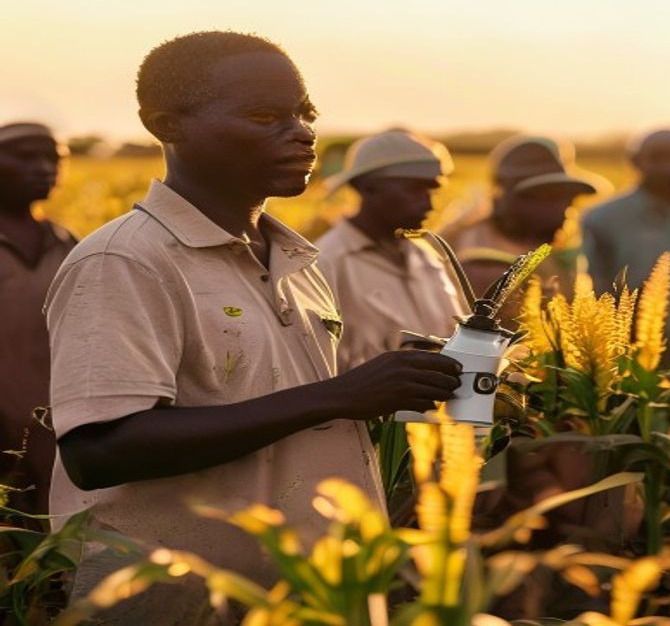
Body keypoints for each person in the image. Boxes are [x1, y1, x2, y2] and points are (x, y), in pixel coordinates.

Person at [46, 31, 461, 624]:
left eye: (305, 113)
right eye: (266, 115)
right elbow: (101, 449)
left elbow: (278, 409)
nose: (303, 132)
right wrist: (342, 394)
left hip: (305, 594)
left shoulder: (295, 260)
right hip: (178, 603)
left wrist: (396, 390)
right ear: (167, 125)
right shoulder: (127, 260)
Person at [316, 129, 466, 370]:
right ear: (366, 187)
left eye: (432, 189)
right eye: (414, 189)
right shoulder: (326, 263)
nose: (429, 203)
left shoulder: (427, 255)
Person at [581, 128, 670, 359]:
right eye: (659, 158)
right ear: (635, 162)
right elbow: (593, 287)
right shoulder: (602, 217)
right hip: (626, 352)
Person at [443, 135, 610, 322]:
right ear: (502, 195)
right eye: (544, 197)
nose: (562, 211)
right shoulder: (479, 262)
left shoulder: (547, 252)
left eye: (568, 200)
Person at [0, 122, 75, 517]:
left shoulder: (72, 246)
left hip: (60, 428)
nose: (45, 168)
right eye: (26, 157)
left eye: (54, 159)